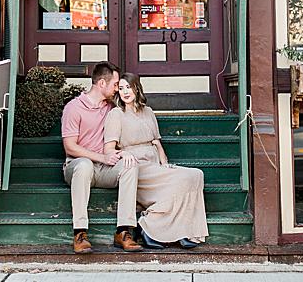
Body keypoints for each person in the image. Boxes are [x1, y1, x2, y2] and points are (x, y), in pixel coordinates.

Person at [103, 73, 209, 249]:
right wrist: (123, 154)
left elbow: (157, 142)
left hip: (154, 165)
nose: (125, 92)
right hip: (136, 167)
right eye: (121, 88)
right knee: (181, 181)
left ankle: (182, 231)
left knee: (195, 175)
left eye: (128, 87)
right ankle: (150, 228)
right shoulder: (116, 114)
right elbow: (108, 150)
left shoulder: (148, 112)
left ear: (137, 88)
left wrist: (164, 162)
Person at [61, 61, 142, 254]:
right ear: (102, 84)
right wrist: (101, 157)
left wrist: (122, 153)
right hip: (77, 166)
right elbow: (70, 147)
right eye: (115, 84)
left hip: (105, 169)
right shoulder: (74, 108)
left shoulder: (112, 108)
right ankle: (80, 233)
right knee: (84, 165)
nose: (118, 89)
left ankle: (123, 231)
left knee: (130, 166)